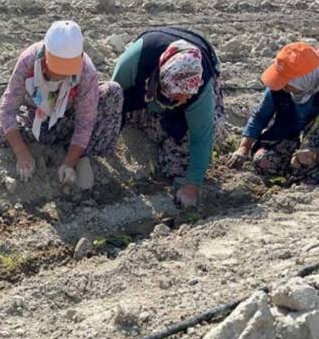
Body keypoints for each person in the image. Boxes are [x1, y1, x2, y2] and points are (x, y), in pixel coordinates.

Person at [0, 20, 124, 189]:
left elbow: (85, 122)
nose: (62, 75)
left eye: (67, 69)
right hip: (36, 116)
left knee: (113, 92)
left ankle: (83, 155)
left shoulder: (86, 70)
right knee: (1, 132)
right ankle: (52, 146)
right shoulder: (29, 60)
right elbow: (8, 108)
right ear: (46, 55)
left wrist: (69, 163)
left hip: (67, 119)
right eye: (57, 68)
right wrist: (21, 152)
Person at [112, 27, 225, 208]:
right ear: (163, 79)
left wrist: (191, 186)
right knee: (116, 101)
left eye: (186, 96)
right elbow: (113, 103)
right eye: (177, 95)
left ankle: (167, 136)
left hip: (197, 74)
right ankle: (149, 126)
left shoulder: (200, 86)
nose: (184, 99)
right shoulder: (134, 62)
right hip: (146, 88)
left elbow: (202, 137)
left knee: (179, 168)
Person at [227, 42, 319, 177]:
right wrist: (243, 148)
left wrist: (314, 153)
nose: (282, 86)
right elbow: (259, 116)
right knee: (263, 161)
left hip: (314, 147)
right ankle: (295, 174)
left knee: (308, 168)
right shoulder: (279, 88)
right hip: (286, 138)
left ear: (303, 79)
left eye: (287, 82)